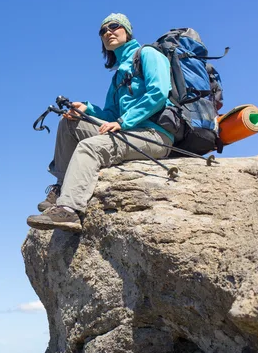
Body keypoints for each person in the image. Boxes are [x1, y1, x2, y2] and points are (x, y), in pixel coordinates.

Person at [27, 13, 174, 232]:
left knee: (90, 147)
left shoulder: (148, 54)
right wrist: (86, 110)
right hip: (128, 130)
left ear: (127, 30)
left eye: (114, 27)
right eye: (103, 31)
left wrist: (124, 121)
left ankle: (69, 210)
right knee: (69, 123)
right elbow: (110, 113)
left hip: (154, 134)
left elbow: (159, 93)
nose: (108, 32)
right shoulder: (118, 75)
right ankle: (61, 187)